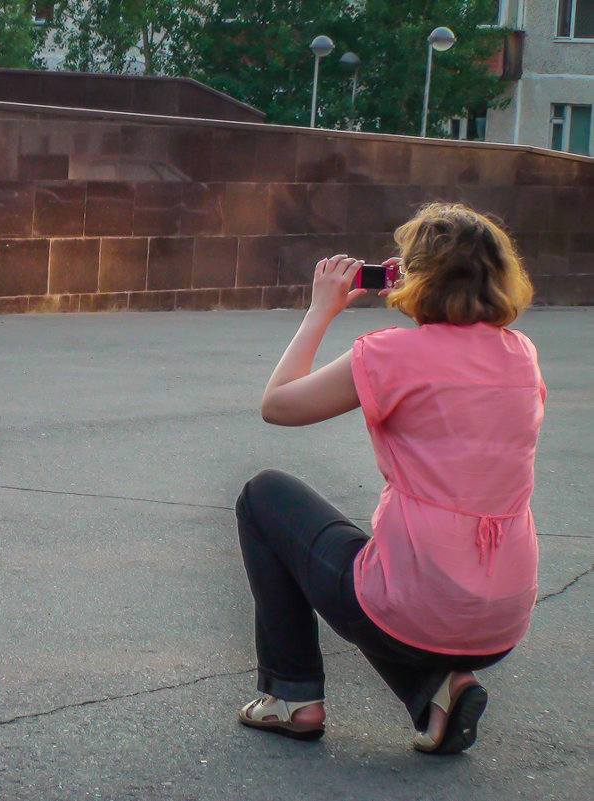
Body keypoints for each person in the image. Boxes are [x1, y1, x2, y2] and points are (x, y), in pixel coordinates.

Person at [234, 202, 545, 755]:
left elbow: (277, 406)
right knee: (386, 571)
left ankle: (291, 696)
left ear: (413, 277)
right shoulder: (521, 355)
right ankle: (438, 693)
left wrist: (321, 311)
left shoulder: (392, 353)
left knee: (265, 497)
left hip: (419, 601)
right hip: (502, 617)